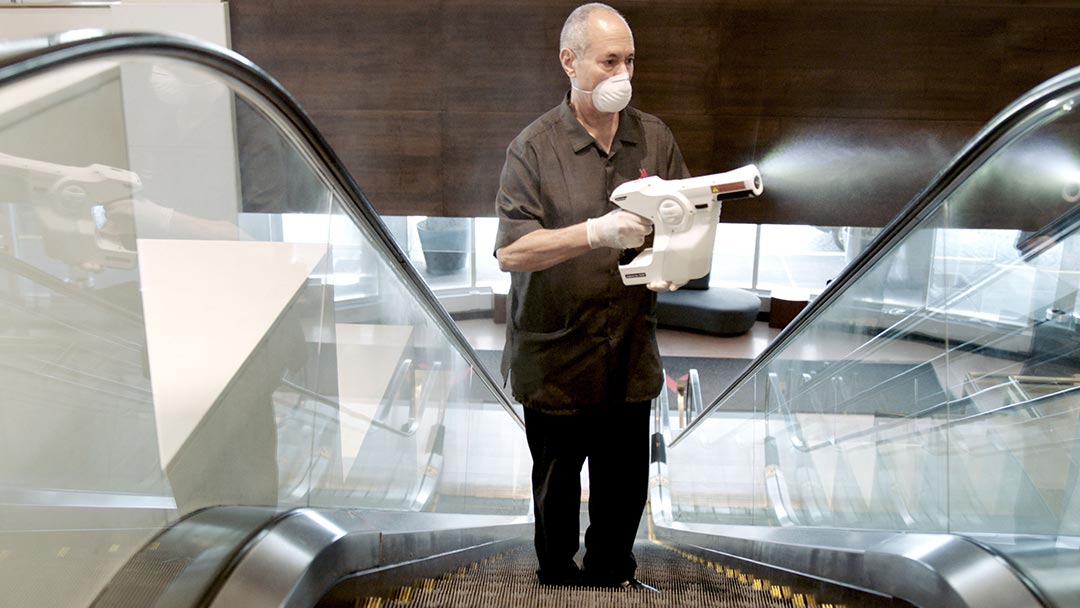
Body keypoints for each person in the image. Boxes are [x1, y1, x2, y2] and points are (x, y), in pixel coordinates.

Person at [494, 2, 691, 591]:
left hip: (629, 353)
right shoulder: (531, 150)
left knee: (624, 484)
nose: (622, 76)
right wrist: (594, 232)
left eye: (630, 61)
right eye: (609, 62)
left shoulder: (653, 137)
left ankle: (612, 576)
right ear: (570, 62)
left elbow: (685, 219)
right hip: (556, 357)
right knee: (556, 490)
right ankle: (555, 580)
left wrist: (678, 257)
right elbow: (511, 252)